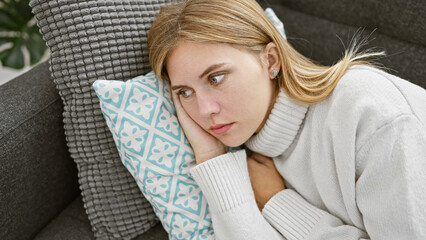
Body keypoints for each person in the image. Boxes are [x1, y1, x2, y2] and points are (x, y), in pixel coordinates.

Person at [147, 0, 426, 239]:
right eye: (185, 92)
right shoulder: (251, 147)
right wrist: (210, 156)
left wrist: (276, 202)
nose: (204, 109)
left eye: (216, 78)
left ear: (270, 61)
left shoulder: (370, 114)